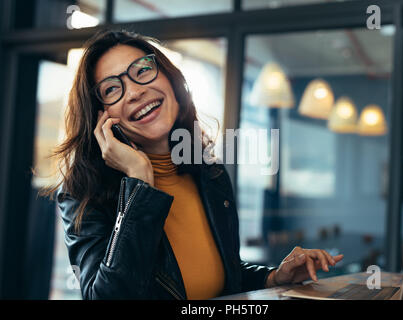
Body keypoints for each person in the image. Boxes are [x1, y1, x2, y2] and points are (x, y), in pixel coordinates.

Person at [46, 29, 343, 300]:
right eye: (112, 89)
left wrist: (274, 276)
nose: (135, 91)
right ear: (102, 117)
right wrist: (139, 181)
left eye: (143, 71)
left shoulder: (209, 174)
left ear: (172, 81)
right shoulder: (83, 193)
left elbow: (219, 276)